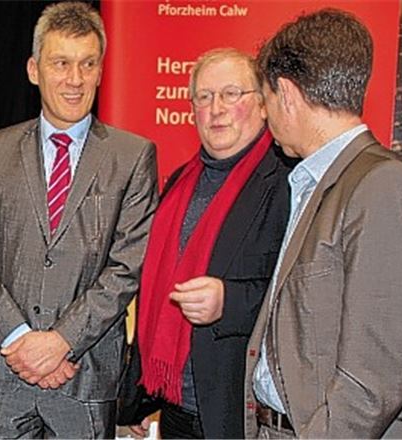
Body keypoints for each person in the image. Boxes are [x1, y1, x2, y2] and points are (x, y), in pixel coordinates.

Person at [0, 2, 159, 437]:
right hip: (5, 372)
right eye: (61, 63)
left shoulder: (133, 157)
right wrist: (20, 341)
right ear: (34, 69)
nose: (75, 79)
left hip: (82, 375)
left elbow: (127, 268)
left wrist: (61, 342)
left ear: (101, 72)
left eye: (88, 64)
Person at [243, 9, 402, 438]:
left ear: (287, 93)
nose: (266, 117)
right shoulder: (323, 181)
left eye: (265, 100)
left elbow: (373, 381)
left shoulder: (381, 186)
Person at [125, 48, 292, 439]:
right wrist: (143, 395)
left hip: (241, 413)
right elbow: (156, 297)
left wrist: (228, 301)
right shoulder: (180, 182)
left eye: (232, 94)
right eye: (204, 97)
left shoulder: (287, 181)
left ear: (263, 104)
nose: (216, 108)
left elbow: (300, 294)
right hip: (177, 407)